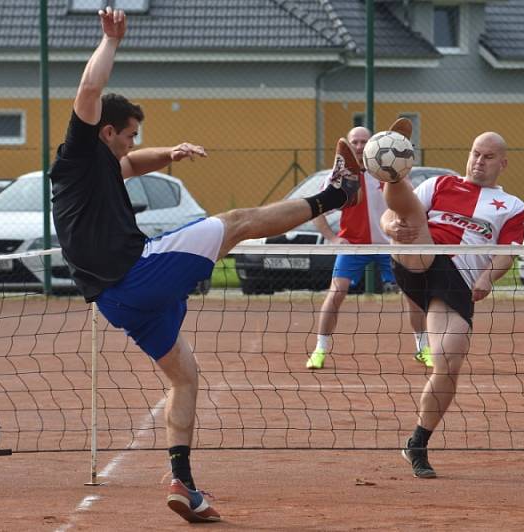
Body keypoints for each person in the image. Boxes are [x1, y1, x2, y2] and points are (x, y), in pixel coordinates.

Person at [48, 7, 363, 523]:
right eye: (128, 133)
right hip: (138, 272)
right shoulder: (79, 152)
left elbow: (131, 163)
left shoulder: (99, 168)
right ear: (104, 131)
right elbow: (88, 91)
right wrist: (110, 42)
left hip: (116, 301)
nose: (132, 142)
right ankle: (337, 194)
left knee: (185, 377)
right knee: (237, 222)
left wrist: (169, 152)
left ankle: (184, 484)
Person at [379, 120, 524, 478]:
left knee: (449, 358)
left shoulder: (511, 205)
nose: (479, 161)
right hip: (418, 255)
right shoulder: (440, 183)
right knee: (412, 215)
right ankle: (392, 169)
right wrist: (390, 228)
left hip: (456, 281)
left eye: (488, 157)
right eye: (475, 154)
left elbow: (506, 254)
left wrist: (488, 279)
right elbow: (388, 216)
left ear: (502, 163)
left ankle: (417, 442)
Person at [307, 126, 429, 370]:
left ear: (373, 144)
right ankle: (320, 349)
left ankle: (423, 348)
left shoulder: (390, 172)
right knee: (336, 294)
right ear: (349, 146)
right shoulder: (339, 178)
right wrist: (332, 238)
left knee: (413, 296)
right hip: (353, 245)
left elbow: (411, 205)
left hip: (389, 245)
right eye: (356, 142)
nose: (360, 146)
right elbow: (316, 211)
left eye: (365, 141)